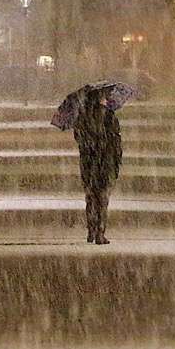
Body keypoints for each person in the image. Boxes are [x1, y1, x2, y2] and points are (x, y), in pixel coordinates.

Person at [72, 85, 122, 244]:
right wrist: (116, 159)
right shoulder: (109, 115)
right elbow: (116, 140)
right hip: (105, 162)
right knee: (103, 197)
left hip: (89, 162)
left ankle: (91, 230)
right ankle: (100, 232)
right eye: (105, 95)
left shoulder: (82, 116)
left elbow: (79, 138)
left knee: (91, 196)